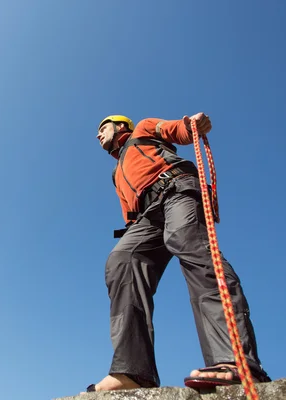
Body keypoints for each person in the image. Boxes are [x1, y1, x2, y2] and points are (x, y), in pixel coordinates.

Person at [85, 114, 271, 393]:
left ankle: (234, 360)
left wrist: (191, 126)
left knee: (188, 244)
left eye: (103, 127)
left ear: (121, 126)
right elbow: (128, 210)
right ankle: (132, 371)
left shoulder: (143, 130)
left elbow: (173, 130)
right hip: (145, 218)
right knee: (123, 259)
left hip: (175, 189)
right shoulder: (116, 173)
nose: (98, 134)